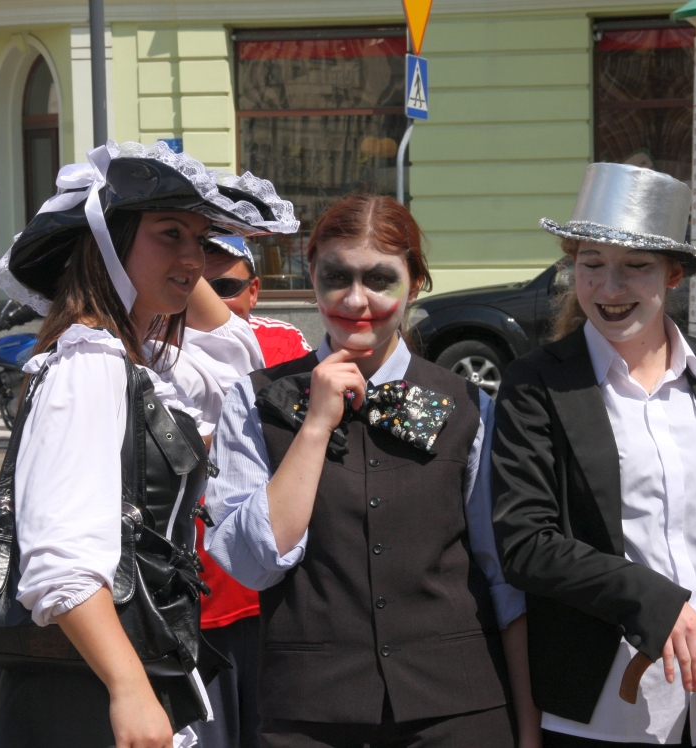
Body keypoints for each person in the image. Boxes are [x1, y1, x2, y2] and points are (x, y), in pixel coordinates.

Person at [0, 140, 291, 748]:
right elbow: (60, 556)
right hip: (85, 688)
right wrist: (128, 687)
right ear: (109, 242)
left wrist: (173, 255)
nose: (195, 258)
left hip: (130, 660)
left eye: (202, 240)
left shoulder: (136, 361)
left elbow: (235, 364)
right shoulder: (88, 364)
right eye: (169, 234)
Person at [204, 194, 542, 748]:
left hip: (459, 708)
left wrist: (528, 726)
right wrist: (315, 427)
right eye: (336, 276)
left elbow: (504, 579)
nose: (356, 299)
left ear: (415, 285)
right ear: (311, 278)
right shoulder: (255, 399)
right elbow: (251, 564)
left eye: (380, 279)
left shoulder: (467, 404)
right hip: (310, 713)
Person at [491, 163, 696, 748]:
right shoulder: (536, 384)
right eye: (591, 264)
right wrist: (655, 602)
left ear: (673, 274)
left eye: (635, 267)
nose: (609, 288)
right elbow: (525, 543)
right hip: (600, 711)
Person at [191, 234, 310, 748]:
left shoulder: (277, 342)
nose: (209, 300)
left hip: (268, 598)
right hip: (184, 606)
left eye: (224, 287)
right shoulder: (139, 342)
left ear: (255, 290)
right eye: (195, 282)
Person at [204, 235, 312, 365]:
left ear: (252, 292)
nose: (209, 301)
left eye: (225, 286)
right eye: (195, 289)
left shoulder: (282, 341)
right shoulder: (177, 347)